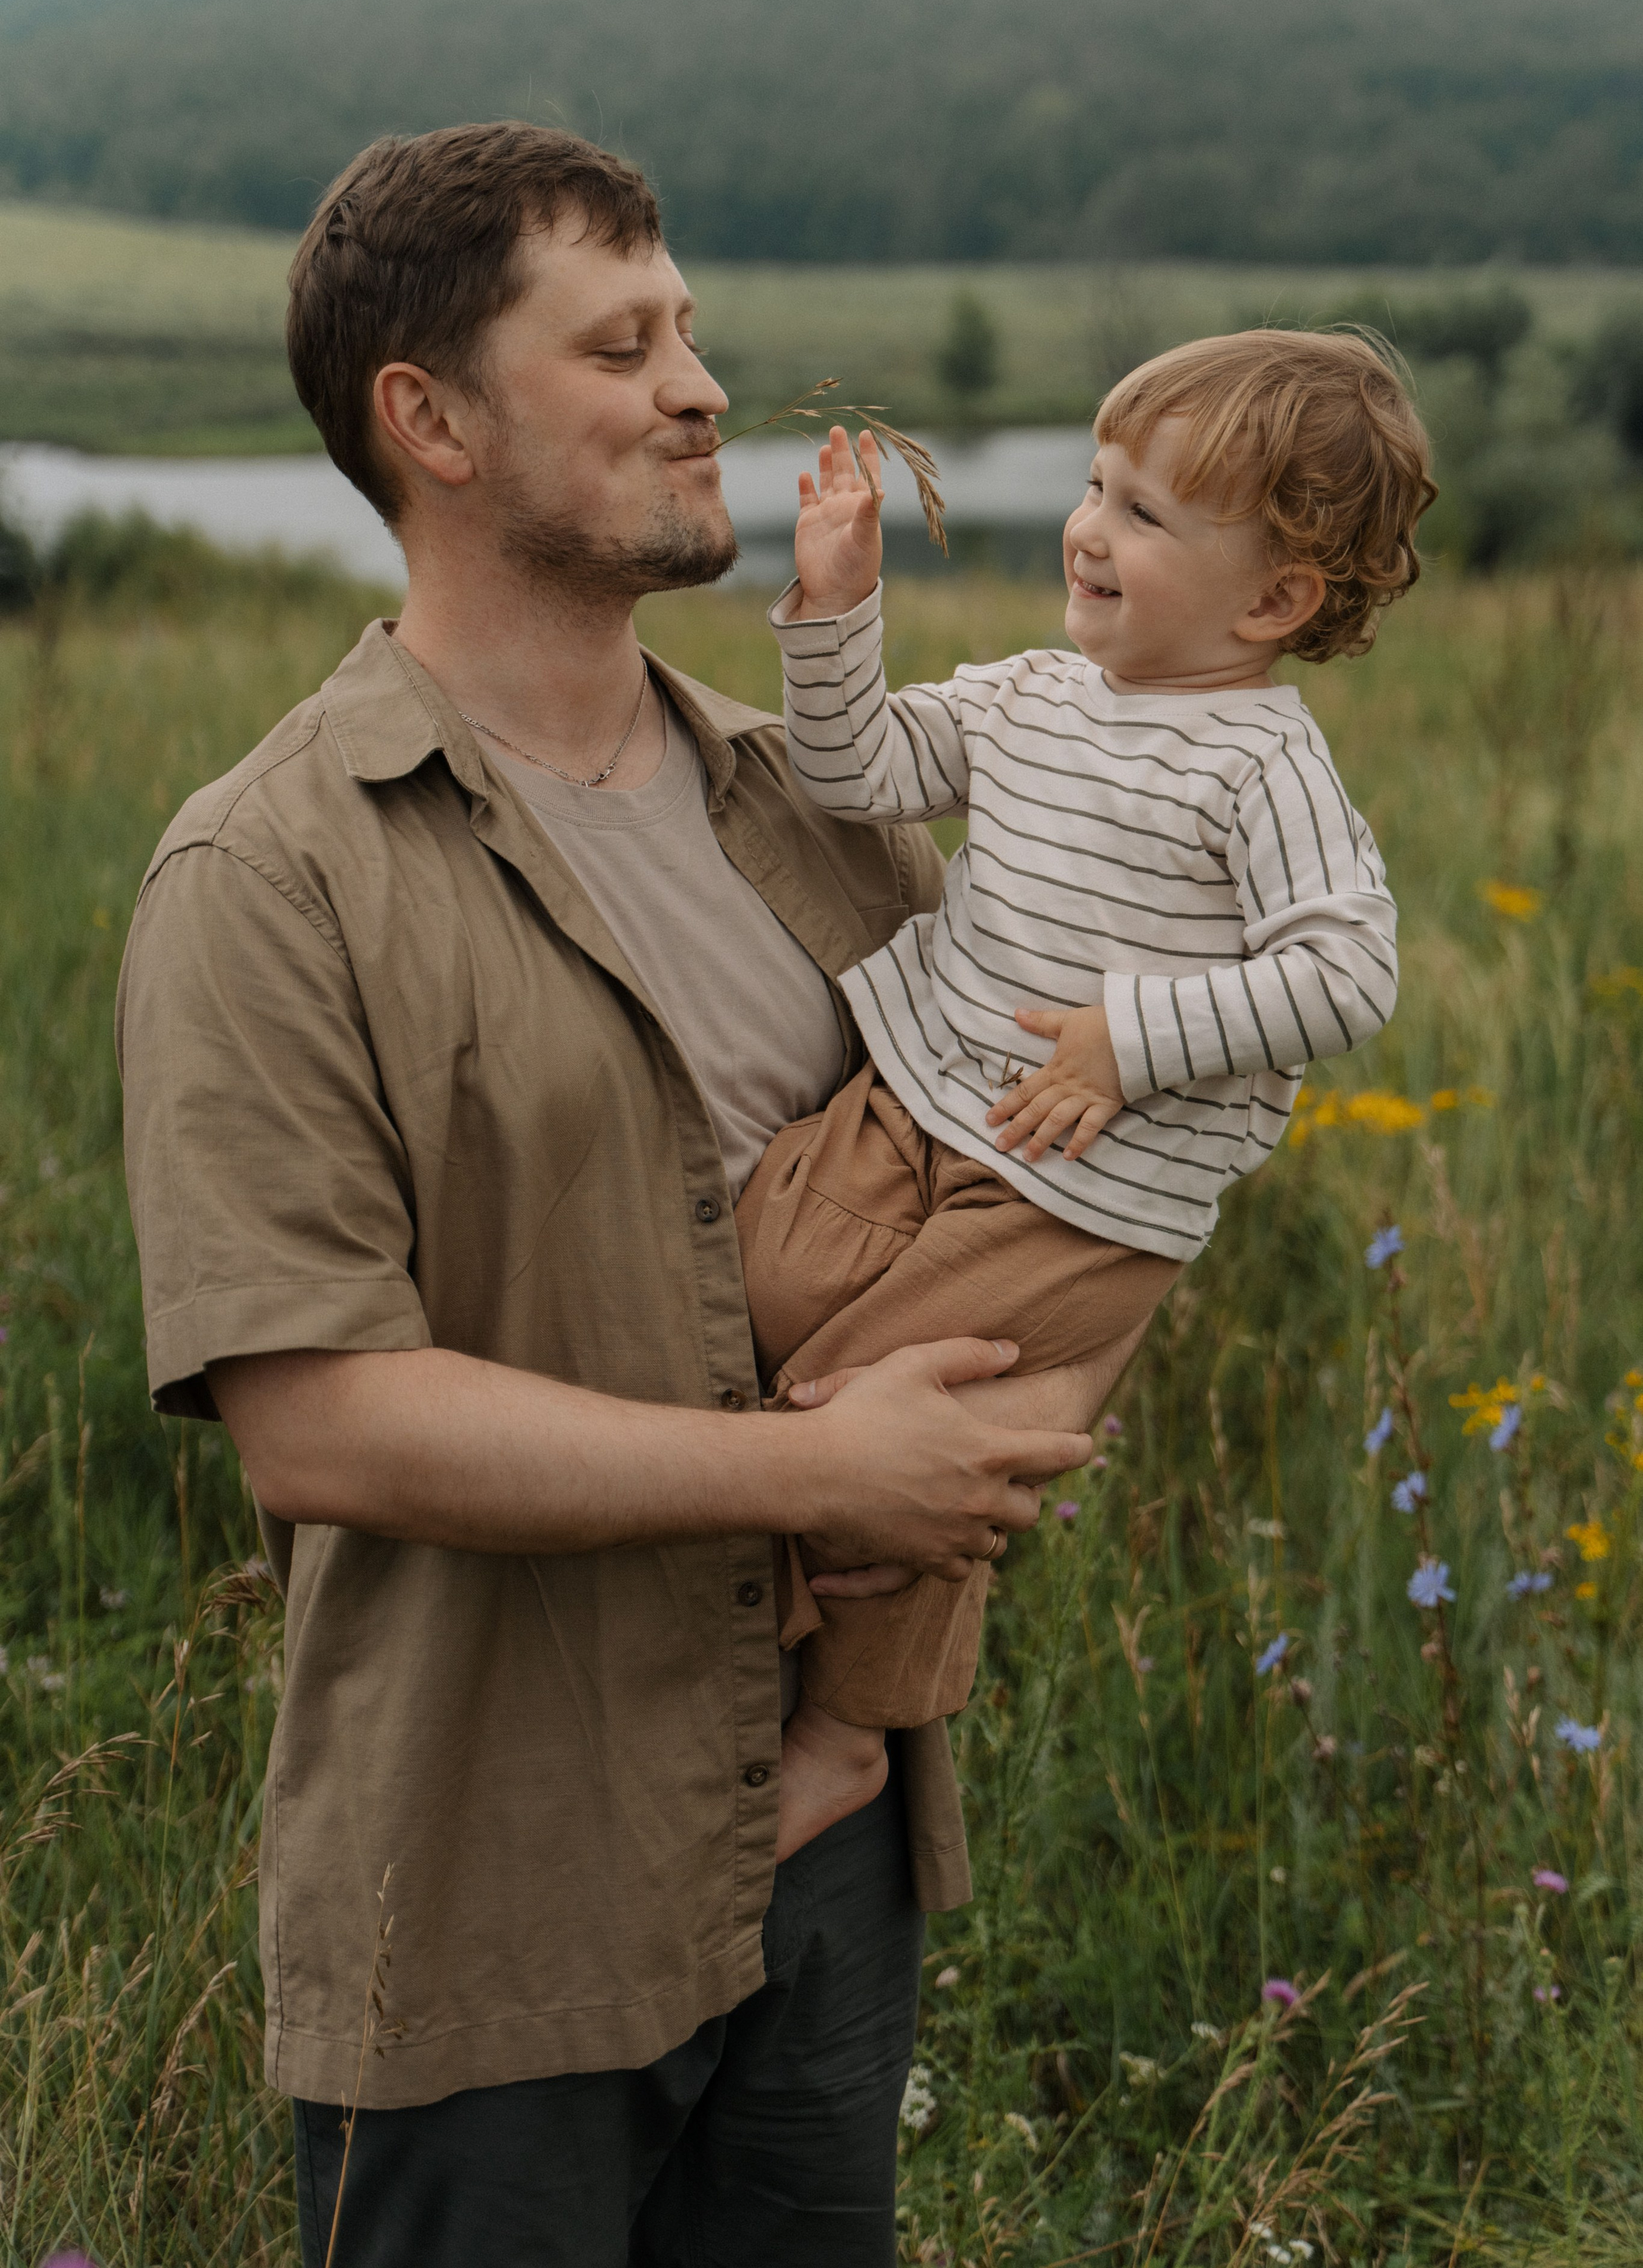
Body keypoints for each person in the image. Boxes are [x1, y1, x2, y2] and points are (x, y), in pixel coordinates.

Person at [115, 121, 1105, 2268]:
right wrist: (815, 1471)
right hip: (491, 1896)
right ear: (430, 420)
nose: (702, 382)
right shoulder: (271, 873)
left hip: (824, 1848)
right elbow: (321, 1417)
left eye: (692, 327)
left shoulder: (818, 813)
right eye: (624, 342)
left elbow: (996, 1192)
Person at [737, 331, 1434, 1849]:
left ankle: (849, 1727)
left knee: (878, 1405)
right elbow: (851, 770)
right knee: (756, 1268)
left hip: (1079, 1196)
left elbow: (1346, 975)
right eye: (1091, 484)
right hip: (923, 1093)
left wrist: (1130, 1037)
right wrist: (836, 607)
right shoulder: (1028, 697)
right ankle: (754, 1560)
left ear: (1270, 599)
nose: (1085, 528)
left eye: (1141, 515)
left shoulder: (1258, 765)